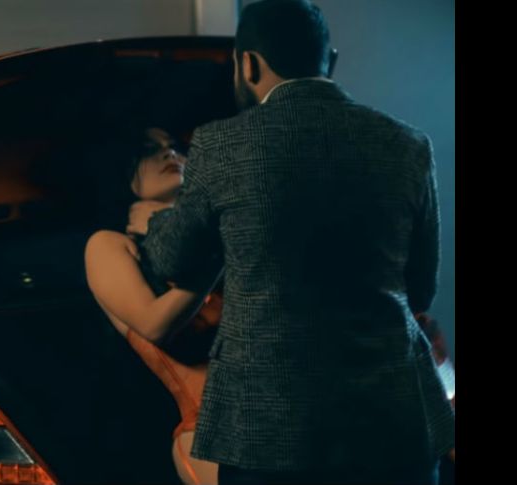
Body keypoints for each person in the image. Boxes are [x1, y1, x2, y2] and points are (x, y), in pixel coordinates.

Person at [126, 1, 455, 483]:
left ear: (248, 64)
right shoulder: (408, 145)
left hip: (268, 430)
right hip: (394, 424)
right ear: (331, 59)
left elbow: (171, 260)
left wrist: (154, 220)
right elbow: (420, 289)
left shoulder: (222, 145)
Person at [85, 127, 223, 484]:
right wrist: (218, 255)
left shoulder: (215, 233)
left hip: (291, 418)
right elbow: (154, 324)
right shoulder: (107, 244)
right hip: (212, 434)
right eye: (149, 149)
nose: (169, 154)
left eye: (174, 147)